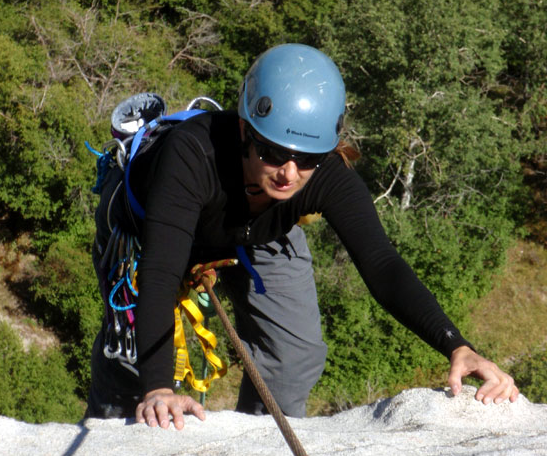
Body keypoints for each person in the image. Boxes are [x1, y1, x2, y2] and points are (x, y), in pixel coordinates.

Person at [86, 43, 518, 428]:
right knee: (132, 370)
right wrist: (159, 388)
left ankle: (259, 447)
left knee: (295, 357)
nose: (289, 173)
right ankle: (114, 427)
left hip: (255, 231)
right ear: (244, 131)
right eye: (273, 152)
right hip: (149, 232)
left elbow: (382, 265)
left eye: (307, 158)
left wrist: (457, 345)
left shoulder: (325, 176)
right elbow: (161, 273)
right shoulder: (192, 156)